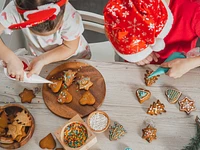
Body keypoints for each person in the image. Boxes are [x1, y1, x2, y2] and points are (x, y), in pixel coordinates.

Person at [104, 0, 200, 78]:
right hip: (136, 66)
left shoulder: (193, 10)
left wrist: (189, 64)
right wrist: (137, 52)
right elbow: (110, 27)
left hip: (178, 68)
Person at [0, 0, 91, 81]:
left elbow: (70, 47)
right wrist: (10, 58)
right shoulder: (14, 10)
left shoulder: (70, 18)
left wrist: (43, 59)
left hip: (74, 57)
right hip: (40, 58)